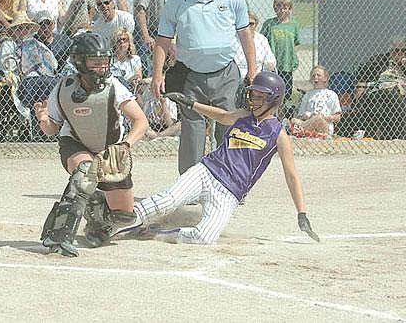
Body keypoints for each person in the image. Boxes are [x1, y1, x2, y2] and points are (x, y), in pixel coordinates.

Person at [120, 72, 319, 244]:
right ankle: (116, 220)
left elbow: (292, 176)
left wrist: (301, 213)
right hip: (207, 171)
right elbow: (223, 116)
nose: (254, 101)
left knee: (204, 237)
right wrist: (191, 103)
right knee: (167, 201)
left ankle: (156, 233)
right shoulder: (243, 115)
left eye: (261, 97)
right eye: (253, 95)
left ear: (274, 100)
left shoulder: (278, 134)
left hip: (230, 192)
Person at [35, 32, 148, 257]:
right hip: (76, 144)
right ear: (79, 62)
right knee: (84, 174)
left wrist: (124, 146)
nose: (102, 67)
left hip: (110, 151)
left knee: (124, 215)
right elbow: (52, 129)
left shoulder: (114, 86)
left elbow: (141, 121)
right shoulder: (64, 88)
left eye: (104, 62)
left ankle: (97, 215)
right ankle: (59, 235)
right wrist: (43, 119)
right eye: (95, 63)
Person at [151, 0, 257, 174]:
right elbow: (162, 41)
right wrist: (157, 75)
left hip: (226, 73)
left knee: (228, 126)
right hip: (190, 75)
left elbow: (245, 34)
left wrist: (253, 70)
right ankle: (190, 185)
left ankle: (230, 181)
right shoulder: (176, 3)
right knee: (192, 129)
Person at [355, 36, 406, 139]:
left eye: (403, 51)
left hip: (403, 93)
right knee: (395, 96)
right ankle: (402, 135)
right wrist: (359, 96)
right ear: (391, 50)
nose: (400, 53)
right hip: (381, 92)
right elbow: (362, 77)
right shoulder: (378, 61)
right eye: (397, 50)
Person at [134, 0, 185, 76]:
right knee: (150, 64)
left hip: (174, 30)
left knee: (176, 61)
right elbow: (140, 9)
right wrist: (146, 36)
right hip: (152, 30)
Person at [261, 0, 300, 107]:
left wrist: (291, 55)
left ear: (289, 9)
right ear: (274, 8)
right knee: (271, 92)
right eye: (279, 7)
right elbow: (262, 41)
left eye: (285, 7)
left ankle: (283, 115)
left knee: (285, 93)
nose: (282, 10)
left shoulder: (294, 24)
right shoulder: (269, 24)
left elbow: (297, 43)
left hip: (286, 63)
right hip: (272, 64)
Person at [234, 11, 276, 108]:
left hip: (257, 74)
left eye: (251, 24)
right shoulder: (234, 38)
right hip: (237, 73)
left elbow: (271, 60)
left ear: (256, 24)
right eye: (245, 24)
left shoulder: (261, 39)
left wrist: (268, 65)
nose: (248, 27)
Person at [291, 65, 342, 138]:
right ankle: (302, 131)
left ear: (325, 78)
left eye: (318, 75)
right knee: (294, 120)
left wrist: (325, 117)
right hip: (309, 122)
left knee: (319, 118)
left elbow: (338, 116)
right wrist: (307, 116)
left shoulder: (331, 94)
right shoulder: (308, 95)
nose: (315, 77)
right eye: (313, 75)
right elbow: (300, 116)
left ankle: (298, 130)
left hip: (325, 125)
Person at [110, 27, 142, 91]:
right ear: (114, 43)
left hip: (130, 88)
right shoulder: (110, 60)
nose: (122, 42)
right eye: (118, 40)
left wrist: (134, 79)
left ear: (129, 42)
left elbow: (138, 75)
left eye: (124, 39)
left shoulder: (135, 59)